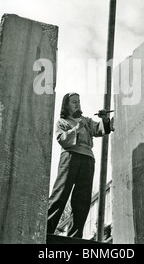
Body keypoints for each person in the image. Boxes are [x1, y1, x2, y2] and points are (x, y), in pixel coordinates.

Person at [47, 92, 111, 238]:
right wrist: (76, 128)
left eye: (78, 101)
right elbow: (62, 140)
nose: (77, 103)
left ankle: (75, 236)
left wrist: (105, 119)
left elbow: (100, 129)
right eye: (74, 101)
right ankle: (46, 230)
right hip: (70, 157)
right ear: (66, 105)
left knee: (83, 199)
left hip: (87, 158)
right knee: (60, 194)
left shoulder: (86, 120)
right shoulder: (62, 122)